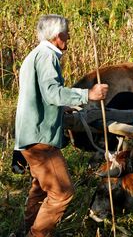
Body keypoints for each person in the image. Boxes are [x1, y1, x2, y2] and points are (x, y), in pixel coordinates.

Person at [14, 14, 109, 237]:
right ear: (58, 36)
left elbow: (37, 96)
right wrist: (88, 94)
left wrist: (60, 107)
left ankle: (24, 231)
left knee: (40, 189)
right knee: (62, 193)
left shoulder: (34, 55)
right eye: (67, 32)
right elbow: (51, 92)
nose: (69, 36)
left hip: (29, 134)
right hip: (41, 138)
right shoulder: (48, 56)